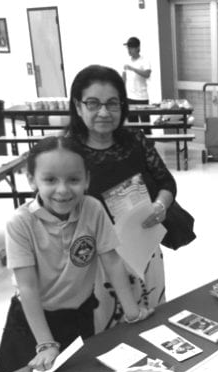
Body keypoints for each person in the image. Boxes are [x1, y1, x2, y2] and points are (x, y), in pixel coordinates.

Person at [0, 136, 152, 372]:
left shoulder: (93, 209)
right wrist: (45, 343)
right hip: (33, 321)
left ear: (87, 179)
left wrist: (131, 310)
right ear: (32, 179)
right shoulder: (20, 222)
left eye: (74, 180)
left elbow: (112, 261)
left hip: (79, 315)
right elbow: (27, 287)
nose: (63, 190)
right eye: (50, 180)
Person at [66, 64, 176, 310]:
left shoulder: (135, 141)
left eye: (112, 103)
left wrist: (160, 205)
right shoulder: (66, 151)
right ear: (78, 106)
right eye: (93, 103)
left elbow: (166, 182)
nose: (104, 112)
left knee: (153, 313)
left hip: (143, 246)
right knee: (107, 323)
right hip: (96, 257)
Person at [122, 37, 152, 124]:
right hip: (130, 97)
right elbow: (123, 78)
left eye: (131, 48)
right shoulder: (126, 61)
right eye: (128, 48)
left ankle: (147, 137)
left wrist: (133, 69)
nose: (129, 50)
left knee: (145, 124)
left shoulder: (145, 60)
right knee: (132, 125)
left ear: (138, 48)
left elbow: (147, 74)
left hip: (142, 97)